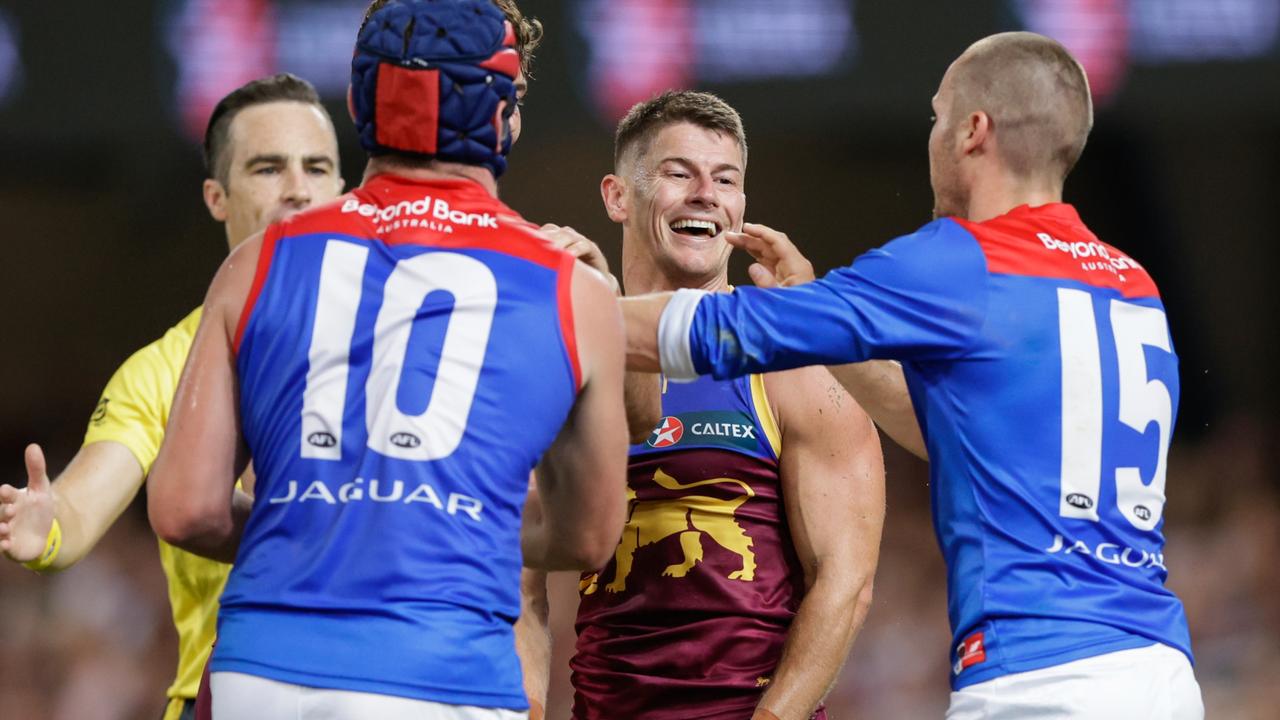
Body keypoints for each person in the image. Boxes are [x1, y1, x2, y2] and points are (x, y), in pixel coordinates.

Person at [623, 32, 1204, 719]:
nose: (931, 138)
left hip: (1042, 678)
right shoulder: (1131, 283)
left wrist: (558, 307)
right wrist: (819, 311)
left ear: (973, 132)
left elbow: (724, 330)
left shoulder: (961, 261)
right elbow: (960, 433)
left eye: (937, 118)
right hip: (1160, 671)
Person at [146, 2, 628, 719]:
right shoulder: (573, 291)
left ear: (358, 101)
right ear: (504, 117)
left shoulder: (256, 263)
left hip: (264, 670)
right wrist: (434, 523)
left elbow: (185, 510)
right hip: (444, 675)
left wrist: (323, 518)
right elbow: (588, 534)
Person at [0, 73, 344, 720]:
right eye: (268, 168)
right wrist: (51, 527)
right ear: (217, 197)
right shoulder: (165, 370)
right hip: (224, 699)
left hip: (378, 692)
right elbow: (79, 507)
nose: (298, 188)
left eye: (317, 168)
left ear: (343, 190)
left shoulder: (406, 332)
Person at [536, 90, 882, 720]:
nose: (705, 194)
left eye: (725, 180)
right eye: (678, 173)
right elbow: (520, 580)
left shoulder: (788, 361)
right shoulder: (564, 360)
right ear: (617, 196)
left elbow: (844, 582)